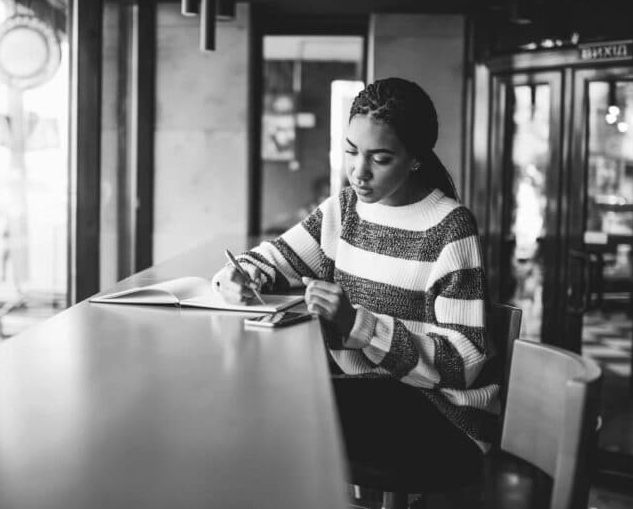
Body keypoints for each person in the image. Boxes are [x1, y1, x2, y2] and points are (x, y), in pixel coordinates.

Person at [212, 78, 497, 489]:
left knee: (278, 412)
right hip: (367, 396)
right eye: (350, 151)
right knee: (260, 394)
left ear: (416, 158)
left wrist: (357, 325)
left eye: (380, 158)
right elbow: (271, 258)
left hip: (443, 419)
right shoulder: (346, 209)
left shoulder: (450, 227)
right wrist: (240, 275)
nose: (359, 172)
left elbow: (463, 362)